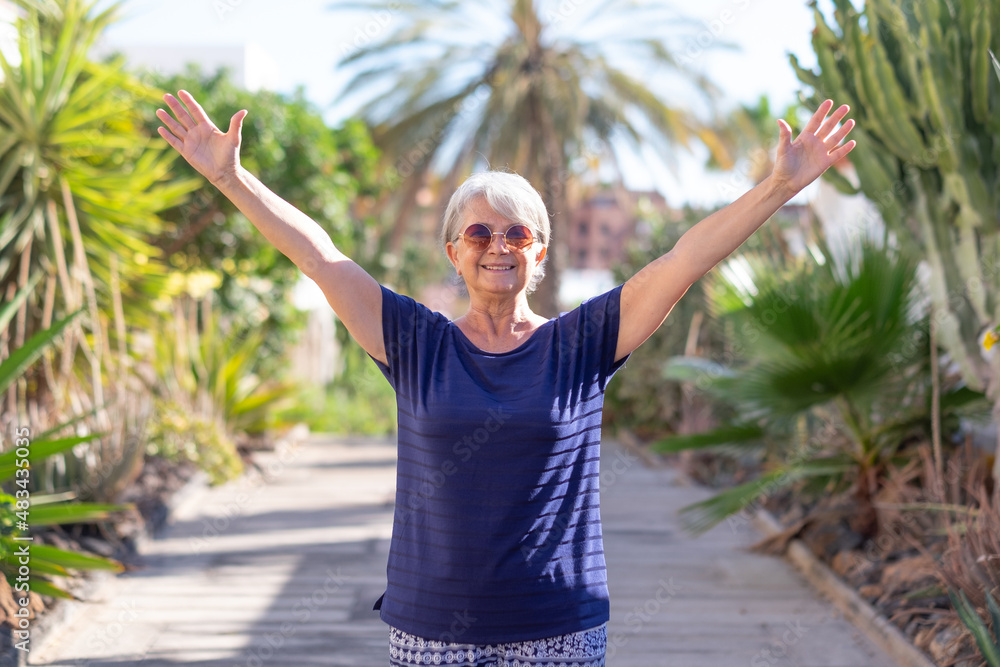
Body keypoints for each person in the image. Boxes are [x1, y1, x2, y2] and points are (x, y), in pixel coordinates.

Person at [156, 90, 855, 666]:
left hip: (557, 626)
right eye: (481, 234)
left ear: (540, 252)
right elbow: (321, 259)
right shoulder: (415, 341)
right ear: (454, 252)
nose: (498, 246)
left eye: (516, 234)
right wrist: (227, 177)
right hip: (431, 627)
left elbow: (682, 261)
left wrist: (780, 186)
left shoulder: (581, 343)